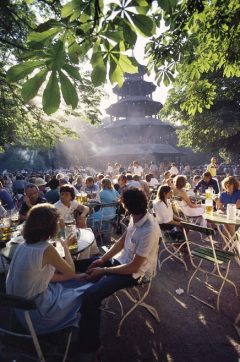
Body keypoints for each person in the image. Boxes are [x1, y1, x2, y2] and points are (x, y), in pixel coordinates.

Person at [76, 188, 161, 354]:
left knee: (91, 296)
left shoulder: (149, 229)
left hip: (134, 273)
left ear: (125, 205)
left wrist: (104, 270)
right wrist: (102, 259)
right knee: (81, 265)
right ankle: (71, 312)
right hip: (122, 262)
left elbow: (134, 267)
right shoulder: (136, 216)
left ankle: (90, 345)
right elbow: (122, 241)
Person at [6, 204, 94, 361]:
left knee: (74, 284)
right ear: (51, 226)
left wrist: (74, 278)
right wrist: (66, 247)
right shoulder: (46, 249)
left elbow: (44, 278)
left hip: (20, 312)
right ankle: (84, 346)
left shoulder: (21, 246)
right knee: (87, 292)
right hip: (37, 314)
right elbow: (71, 270)